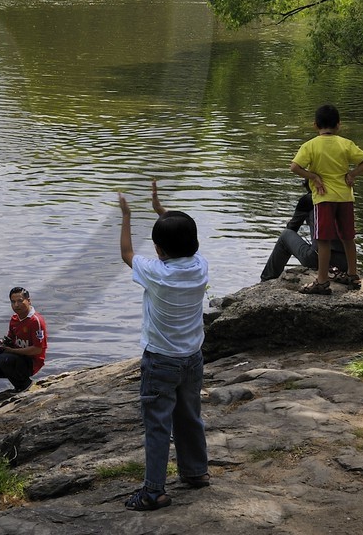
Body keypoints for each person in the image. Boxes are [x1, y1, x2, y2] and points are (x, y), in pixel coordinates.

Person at [118, 180, 209, 512]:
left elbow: (127, 254)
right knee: (189, 416)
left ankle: (154, 491)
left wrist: (127, 216)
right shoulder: (200, 267)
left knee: (158, 423)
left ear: (158, 249)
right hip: (192, 358)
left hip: (160, 361)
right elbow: (181, 240)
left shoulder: (155, 272)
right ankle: (196, 472)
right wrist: (162, 212)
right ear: (195, 243)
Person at [290, 104, 363, 295]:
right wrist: (352, 174)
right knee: (348, 237)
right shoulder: (345, 144)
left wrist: (313, 177)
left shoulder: (310, 145)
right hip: (345, 197)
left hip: (323, 197)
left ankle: (322, 281)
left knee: (323, 240)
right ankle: (353, 275)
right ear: (338, 125)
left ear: (315, 125)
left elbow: (294, 167)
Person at [259, 183, 349, 282]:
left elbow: (293, 228)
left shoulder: (308, 200)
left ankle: (267, 279)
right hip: (345, 261)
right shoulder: (343, 198)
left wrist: (291, 222)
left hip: (318, 259)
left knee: (285, 235)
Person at [0, 287, 47, 393]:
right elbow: (11, 337)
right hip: (16, 358)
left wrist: (11, 351)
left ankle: (24, 384)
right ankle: (18, 381)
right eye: (13, 302)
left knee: (4, 360)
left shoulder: (35, 321)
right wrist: (5, 343)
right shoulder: (14, 319)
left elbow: (37, 349)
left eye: (20, 301)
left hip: (31, 362)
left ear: (28, 301)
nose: (16, 305)